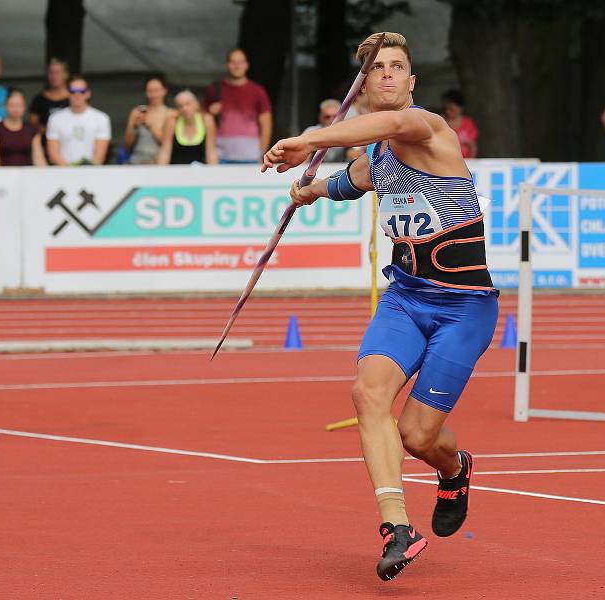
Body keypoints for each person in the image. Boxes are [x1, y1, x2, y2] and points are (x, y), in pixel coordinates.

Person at [262, 32, 498, 581]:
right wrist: (309, 189)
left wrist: (305, 137)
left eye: (397, 67)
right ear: (363, 84)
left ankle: (456, 469)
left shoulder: (427, 127)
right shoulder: (380, 154)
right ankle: (397, 527)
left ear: (411, 82)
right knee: (367, 393)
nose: (387, 74)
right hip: (406, 299)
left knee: (418, 437)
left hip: (463, 308)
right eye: (378, 68)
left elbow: (391, 126)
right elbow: (355, 179)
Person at [203, 48, 272, 163]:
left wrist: (262, 154)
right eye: (233, 62)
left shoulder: (257, 91)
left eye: (240, 62)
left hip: (252, 157)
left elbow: (266, 125)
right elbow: (201, 119)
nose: (237, 66)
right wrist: (209, 112)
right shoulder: (214, 89)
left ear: (246, 65)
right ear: (227, 65)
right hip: (221, 157)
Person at [46, 76, 111, 166]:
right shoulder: (55, 119)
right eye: (73, 91)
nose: (77, 94)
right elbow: (53, 154)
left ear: (88, 93)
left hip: (92, 173)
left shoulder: (102, 118)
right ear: (67, 93)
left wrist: (87, 170)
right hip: (63, 173)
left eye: (82, 91)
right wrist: (70, 171)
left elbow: (100, 155)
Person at [123, 75, 175, 165]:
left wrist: (150, 124)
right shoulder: (137, 112)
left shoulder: (171, 113)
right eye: (149, 91)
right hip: (135, 161)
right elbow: (127, 146)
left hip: (158, 162)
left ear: (164, 91)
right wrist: (134, 126)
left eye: (156, 91)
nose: (153, 95)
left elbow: (168, 144)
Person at [157, 90, 218, 165]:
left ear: (196, 104)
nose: (184, 108)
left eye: (188, 104)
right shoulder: (172, 122)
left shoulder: (206, 120)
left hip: (200, 172)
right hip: (176, 171)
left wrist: (214, 173)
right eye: (180, 106)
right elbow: (165, 150)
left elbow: (211, 151)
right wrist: (160, 172)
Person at [0, 89, 46, 167]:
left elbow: (38, 157)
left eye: (19, 105)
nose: (16, 109)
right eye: (12, 105)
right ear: (5, 106)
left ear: (24, 107)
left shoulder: (32, 129)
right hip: (2, 175)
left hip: (27, 174)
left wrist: (45, 176)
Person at [29, 58, 70, 133]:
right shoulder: (38, 99)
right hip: (44, 141)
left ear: (66, 74)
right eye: (51, 73)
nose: (55, 76)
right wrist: (49, 131)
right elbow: (33, 126)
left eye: (58, 72)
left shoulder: (73, 98)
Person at [441, 89, 478, 158]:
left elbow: (472, 146)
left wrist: (472, 163)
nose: (447, 112)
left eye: (451, 109)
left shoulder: (468, 124)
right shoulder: (440, 121)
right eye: (445, 109)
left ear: (460, 108)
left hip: (465, 162)